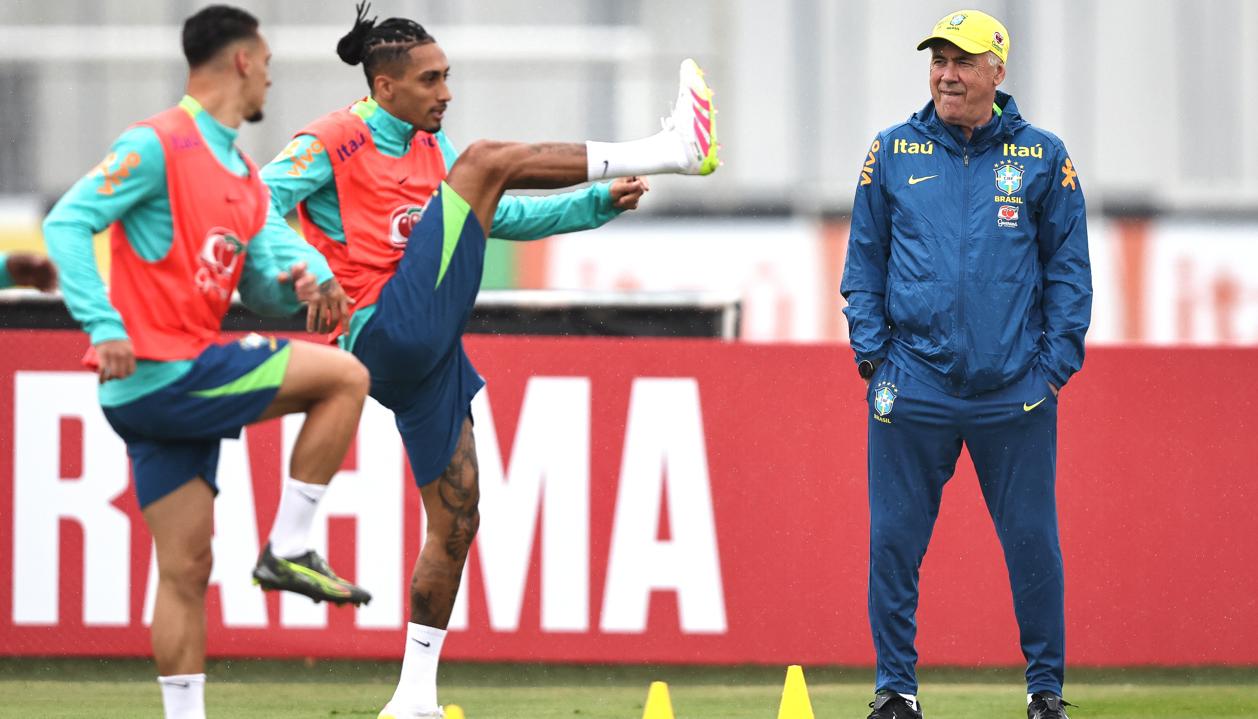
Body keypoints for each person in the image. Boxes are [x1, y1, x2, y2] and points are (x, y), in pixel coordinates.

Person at [256, 5, 719, 717]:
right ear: (384, 88)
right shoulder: (331, 139)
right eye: (431, 79)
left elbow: (499, 214)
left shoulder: (428, 151)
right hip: (382, 330)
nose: (446, 92)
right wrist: (305, 271)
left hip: (429, 351)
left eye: (448, 77)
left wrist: (596, 203)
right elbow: (254, 201)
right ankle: (668, 147)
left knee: (458, 520)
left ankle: (412, 698)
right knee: (485, 160)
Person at [42, 6, 371, 718]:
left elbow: (256, 283)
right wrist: (104, 325)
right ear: (243, 61)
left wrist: (301, 284)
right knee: (346, 376)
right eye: (269, 65)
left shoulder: (245, 178)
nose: (272, 83)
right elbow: (67, 222)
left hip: (157, 391)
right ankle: (289, 545)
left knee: (186, 570)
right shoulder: (158, 143)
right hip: (166, 370)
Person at [840, 10, 1090, 719]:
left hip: (1015, 391)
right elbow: (864, 265)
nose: (947, 73)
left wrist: (1050, 371)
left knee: (1033, 544)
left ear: (997, 73)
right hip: (910, 384)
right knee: (892, 541)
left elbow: (1070, 275)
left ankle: (1046, 694)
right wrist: (874, 360)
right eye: (939, 60)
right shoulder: (889, 151)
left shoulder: (1045, 158)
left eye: (963, 61)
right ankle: (896, 690)